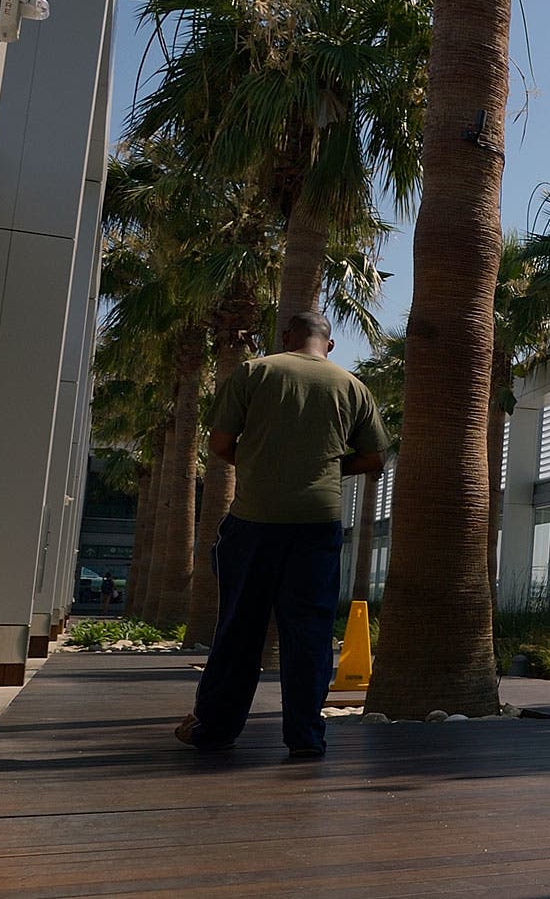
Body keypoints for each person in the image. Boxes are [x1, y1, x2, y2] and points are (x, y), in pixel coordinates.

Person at [174, 311, 386, 760]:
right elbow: (373, 457)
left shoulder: (255, 371)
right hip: (317, 524)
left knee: (238, 630)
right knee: (308, 634)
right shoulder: (352, 386)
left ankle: (215, 730)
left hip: (254, 522)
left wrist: (257, 463)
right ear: (328, 345)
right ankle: (306, 737)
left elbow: (218, 443)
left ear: (287, 336)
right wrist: (329, 467)